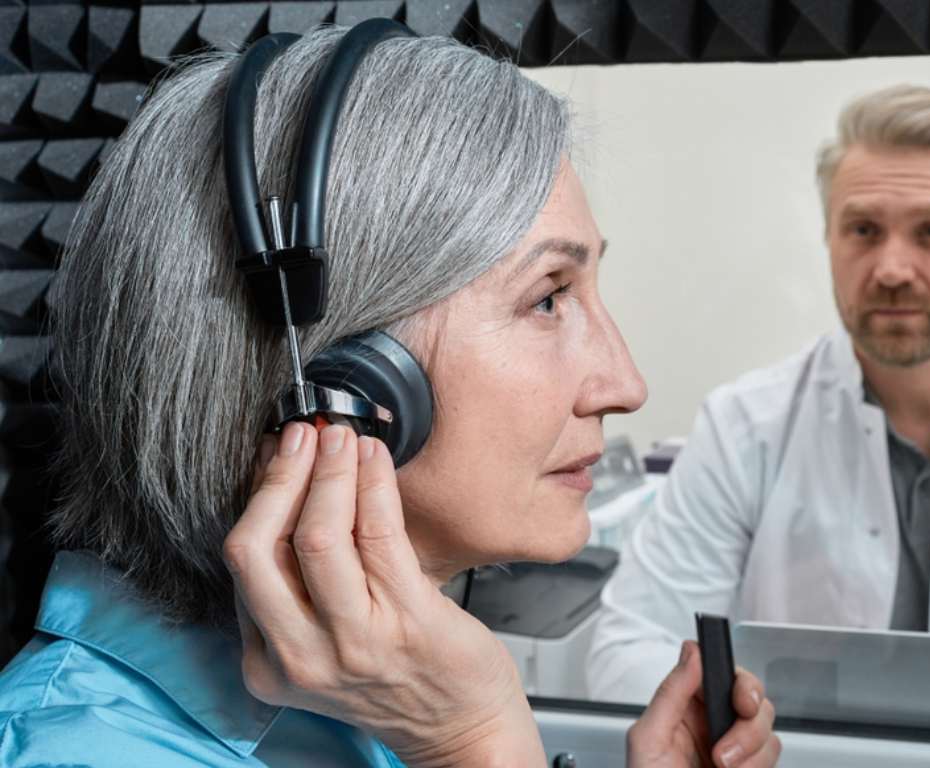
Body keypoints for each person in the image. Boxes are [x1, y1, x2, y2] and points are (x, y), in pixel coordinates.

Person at [0, 27, 779, 767]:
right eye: (547, 298)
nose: (625, 385)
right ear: (341, 388)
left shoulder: (377, 689)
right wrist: (478, 741)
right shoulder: (79, 752)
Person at [588, 85, 930, 703]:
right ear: (830, 240)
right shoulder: (745, 426)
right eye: (864, 230)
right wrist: (728, 714)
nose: (892, 268)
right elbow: (629, 645)